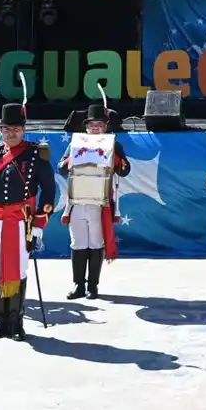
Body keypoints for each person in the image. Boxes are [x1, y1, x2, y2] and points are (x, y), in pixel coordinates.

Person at [0, 102, 55, 341]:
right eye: (7, 128)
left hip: (21, 222)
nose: (11, 133)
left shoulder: (36, 154)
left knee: (18, 269)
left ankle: (16, 321)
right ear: (0, 129)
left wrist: (40, 222)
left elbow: (49, 191)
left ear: (24, 129)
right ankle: (0, 321)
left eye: (16, 128)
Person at [58, 101, 130, 300]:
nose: (95, 128)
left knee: (96, 242)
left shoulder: (113, 144)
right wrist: (72, 158)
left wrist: (115, 155)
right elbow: (61, 168)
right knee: (78, 242)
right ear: (86, 127)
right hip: (77, 201)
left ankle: (93, 285)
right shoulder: (75, 144)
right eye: (92, 125)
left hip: (100, 201)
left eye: (99, 125)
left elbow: (124, 171)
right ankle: (78, 284)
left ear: (105, 127)